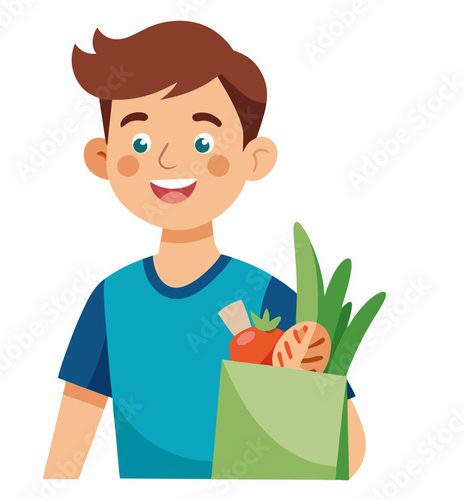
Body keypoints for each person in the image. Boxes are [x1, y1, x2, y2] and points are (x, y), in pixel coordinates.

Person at [44, 21, 365, 480]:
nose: (170, 161)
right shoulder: (110, 301)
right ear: (103, 158)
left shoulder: (266, 296)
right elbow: (63, 460)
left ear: (254, 159)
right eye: (141, 142)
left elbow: (348, 455)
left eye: (202, 141)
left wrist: (301, 387)